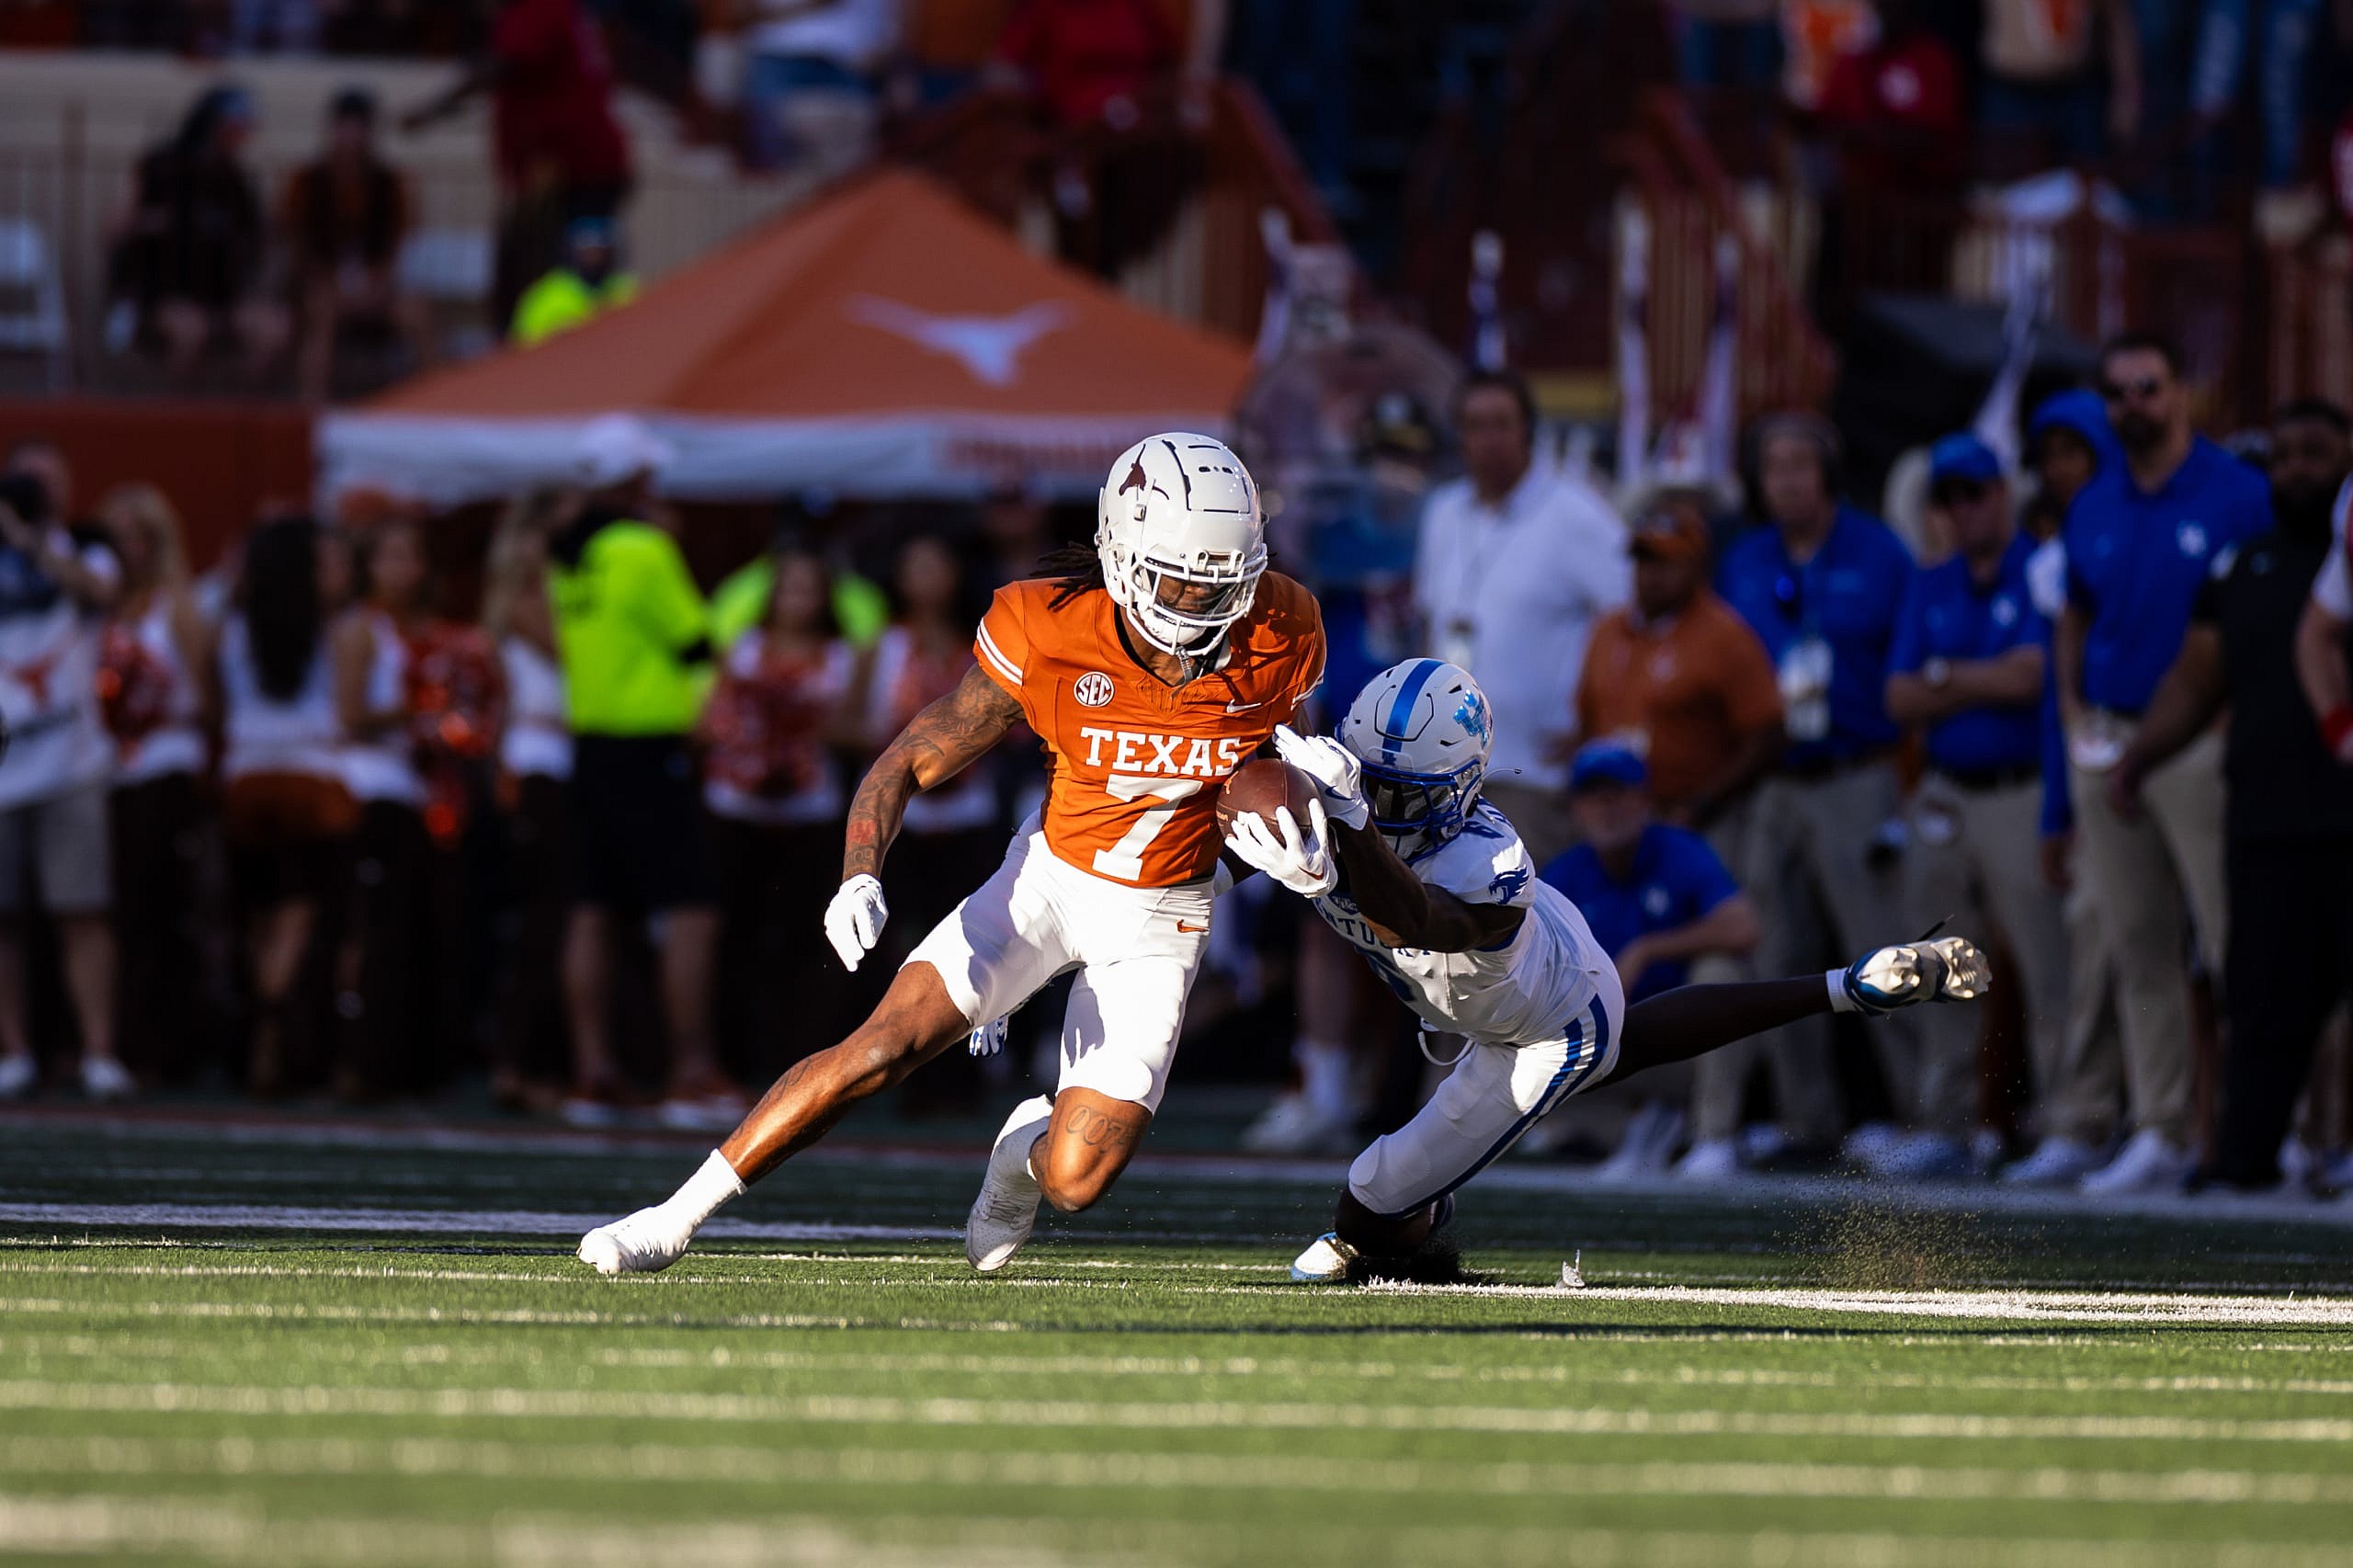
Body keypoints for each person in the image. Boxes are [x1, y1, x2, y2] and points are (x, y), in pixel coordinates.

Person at [573, 432, 1324, 1276]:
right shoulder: (1048, 626)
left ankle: (1017, 1154)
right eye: (1178, 577)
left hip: (1167, 911)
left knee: (1076, 1182)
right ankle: (672, 1218)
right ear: (1120, 553)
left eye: (1222, 581)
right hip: (1051, 881)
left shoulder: (1283, 625)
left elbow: (1281, 775)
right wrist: (859, 874)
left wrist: (1293, 841)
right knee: (880, 1048)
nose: (1199, 601)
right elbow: (908, 758)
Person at [1214, 663, 1984, 1284]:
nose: (1377, 804)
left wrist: (1347, 831)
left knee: (1367, 1210)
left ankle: (1419, 1208)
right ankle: (1846, 986)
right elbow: (1227, 852)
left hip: (1545, 1026)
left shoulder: (1486, 861)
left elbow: (1412, 920)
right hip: (1500, 987)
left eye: (1397, 795)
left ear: (1457, 790)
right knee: (1625, 1046)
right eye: (1367, 782)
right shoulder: (1339, 796)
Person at [2115, 399, 2353, 1190]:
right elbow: (2195, 679)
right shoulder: (2241, 566)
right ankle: (2248, 1160)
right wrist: (2138, 757)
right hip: (2269, 816)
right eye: (2282, 456)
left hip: (2346, 814)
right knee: (2259, 998)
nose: (2296, 471)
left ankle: (2330, 1147)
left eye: (2315, 453)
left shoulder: (2348, 552)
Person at [2055, 332, 2271, 1194]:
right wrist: (2072, 711)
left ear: (2182, 392)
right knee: (2136, 941)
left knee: (2232, 942)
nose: (2133, 404)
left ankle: (2267, 1127)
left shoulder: (2238, 493)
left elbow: (2270, 610)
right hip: (2109, 736)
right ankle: (2160, 1128)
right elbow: (2072, 612)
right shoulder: (2093, 501)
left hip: (2200, 741)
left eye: (2148, 386)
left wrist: (2232, 718)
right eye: (2117, 392)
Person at [1705, 412, 1917, 1177]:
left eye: (1800, 465)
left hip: (1855, 772)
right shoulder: (1745, 559)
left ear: (1828, 473)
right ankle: (1806, 1118)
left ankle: (1921, 1116)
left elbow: (1909, 664)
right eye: (1774, 467)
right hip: (1774, 779)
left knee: (1880, 945)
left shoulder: (1881, 552)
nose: (1787, 480)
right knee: (1777, 954)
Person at [545, 417, 741, 1130]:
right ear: (634, 482)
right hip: (651, 750)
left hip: (590, 748)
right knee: (691, 910)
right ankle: (689, 1072)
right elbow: (696, 641)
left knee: (592, 908)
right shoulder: (642, 546)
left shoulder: (567, 552)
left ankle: (593, 1074)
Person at [1881, 434, 2067, 1181]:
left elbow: (2031, 678)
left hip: (2020, 786)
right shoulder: (1931, 581)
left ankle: (2066, 1122)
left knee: (2048, 959)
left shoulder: (2039, 566)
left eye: (1975, 493)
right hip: (1946, 789)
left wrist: (1945, 677)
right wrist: (1978, 678)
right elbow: (1898, 697)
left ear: (2002, 494)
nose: (1963, 509)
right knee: (1936, 960)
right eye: (1948, 498)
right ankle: (1947, 1122)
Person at [1413, 369, 1630, 866]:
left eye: (1501, 424)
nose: (1488, 439)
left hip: (1533, 775)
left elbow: (1632, 622)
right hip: (1446, 773)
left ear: (1528, 431)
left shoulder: (1575, 514)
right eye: (1475, 425)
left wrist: (1600, 722)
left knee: (1528, 906)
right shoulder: (1444, 511)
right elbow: (1431, 623)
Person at [1538, 742, 1760, 1181]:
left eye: (1618, 794)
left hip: (1688, 1043)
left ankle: (1714, 1136)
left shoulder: (1679, 849)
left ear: (1644, 801)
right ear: (1576, 809)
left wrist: (1646, 950)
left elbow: (1744, 927)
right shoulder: (1564, 873)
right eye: (1594, 797)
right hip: (1616, 1043)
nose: (1607, 808)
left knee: (1720, 971)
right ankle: (1633, 1128)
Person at [701, 543, 858, 1089]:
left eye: (809, 589)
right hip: (736, 810)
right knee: (736, 937)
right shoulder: (743, 648)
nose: (798, 599)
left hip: (810, 814)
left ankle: (801, 1067)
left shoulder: (843, 657)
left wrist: (799, 719)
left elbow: (861, 730)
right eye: (788, 587)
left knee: (806, 940)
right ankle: (736, 1062)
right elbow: (709, 721)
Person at [0, 442, 128, 1104]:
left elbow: (99, 592)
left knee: (82, 909)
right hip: (4, 764)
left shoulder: (86, 550)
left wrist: (33, 541)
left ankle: (98, 1051)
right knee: (2, 920)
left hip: (70, 762)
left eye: (48, 481)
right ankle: (14, 1050)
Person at [217, 518, 360, 1094]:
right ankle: (275, 1016)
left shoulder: (232, 628)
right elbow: (347, 712)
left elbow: (214, 703)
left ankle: (259, 1016)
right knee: (298, 914)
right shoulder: (336, 628)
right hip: (312, 778)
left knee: (259, 913)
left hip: (246, 778)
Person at [863, 532, 1003, 1113]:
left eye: (937, 566)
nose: (927, 579)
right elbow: (846, 723)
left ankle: (966, 1077)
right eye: (915, 566)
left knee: (977, 941)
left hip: (970, 818)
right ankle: (903, 1073)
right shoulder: (883, 645)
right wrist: (906, 747)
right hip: (907, 822)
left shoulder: (986, 642)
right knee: (900, 945)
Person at [403, 0, 633, 333]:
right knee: (539, 275)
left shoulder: (539, 8)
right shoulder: (548, 10)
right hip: (571, 172)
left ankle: (548, 353)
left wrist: (432, 110)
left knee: (551, 277)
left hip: (575, 173)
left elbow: (502, 65)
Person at [95, 484, 216, 1085]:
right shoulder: (98, 607)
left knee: (161, 912)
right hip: (107, 772)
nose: (127, 549)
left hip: (165, 769)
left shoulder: (178, 607)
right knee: (114, 911)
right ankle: (115, 1043)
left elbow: (207, 700)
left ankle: (165, 1049)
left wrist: (150, 709)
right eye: (117, 536)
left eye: (138, 536)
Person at [1574, 493, 1783, 826]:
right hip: (1616, 818)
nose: (1650, 575)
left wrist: (1705, 803)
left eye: (1664, 562)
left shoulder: (1725, 637)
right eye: (1643, 560)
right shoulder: (1608, 630)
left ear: (1695, 566)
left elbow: (1766, 732)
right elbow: (1587, 719)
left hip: (1696, 819)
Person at [329, 517, 438, 1100]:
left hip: (407, 789)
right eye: (390, 556)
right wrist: (420, 709)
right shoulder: (361, 629)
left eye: (411, 556)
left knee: (403, 930)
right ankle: (358, 1058)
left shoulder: (423, 630)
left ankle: (398, 1058)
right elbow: (348, 714)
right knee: (370, 928)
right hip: (369, 788)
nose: (402, 569)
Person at [483, 492, 575, 1113]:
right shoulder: (521, 605)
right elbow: (575, 654)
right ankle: (517, 1062)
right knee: (544, 920)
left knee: (554, 920)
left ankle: (529, 1060)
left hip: (559, 763)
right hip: (536, 766)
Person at [108, 86, 290, 388]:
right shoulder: (160, 165)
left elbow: (256, 233)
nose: (241, 137)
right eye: (234, 128)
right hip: (163, 293)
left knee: (273, 329)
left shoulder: (234, 179)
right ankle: (175, 409)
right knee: (192, 329)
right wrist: (151, 223)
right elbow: (114, 226)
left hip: (222, 294)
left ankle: (237, 406)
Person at [279, 88, 426, 404]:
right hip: (322, 287)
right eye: (344, 127)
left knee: (416, 313)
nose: (351, 137)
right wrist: (326, 283)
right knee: (322, 312)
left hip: (374, 288)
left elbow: (395, 245)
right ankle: (313, 405)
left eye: (358, 128)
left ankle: (426, 407)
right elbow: (297, 244)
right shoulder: (306, 181)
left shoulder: (390, 183)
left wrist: (378, 285)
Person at [510, 217, 638, 347]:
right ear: (571, 252)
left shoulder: (626, 290)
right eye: (587, 251)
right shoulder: (544, 297)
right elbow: (523, 346)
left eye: (600, 250)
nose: (594, 257)